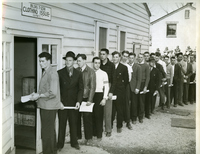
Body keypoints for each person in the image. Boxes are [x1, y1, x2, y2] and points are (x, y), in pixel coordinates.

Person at [30, 52, 63, 154]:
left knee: (46, 133)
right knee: (49, 131)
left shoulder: (52, 73)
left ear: (49, 61)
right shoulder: (46, 72)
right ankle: (52, 152)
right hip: (46, 106)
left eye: (43, 61)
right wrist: (37, 94)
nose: (40, 63)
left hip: (49, 107)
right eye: (39, 61)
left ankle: (48, 152)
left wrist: (39, 96)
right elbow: (46, 89)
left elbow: (52, 92)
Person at [57, 51, 83, 151]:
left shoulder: (78, 73)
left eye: (70, 60)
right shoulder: (59, 73)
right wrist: (59, 102)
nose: (68, 62)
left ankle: (74, 142)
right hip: (62, 104)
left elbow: (81, 89)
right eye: (67, 60)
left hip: (73, 104)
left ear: (74, 61)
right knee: (62, 124)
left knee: (73, 124)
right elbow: (57, 89)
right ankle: (60, 145)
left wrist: (78, 101)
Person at [76, 54, 96, 143]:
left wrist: (90, 99)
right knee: (76, 118)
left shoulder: (91, 71)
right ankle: (77, 136)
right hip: (77, 98)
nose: (78, 62)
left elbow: (92, 87)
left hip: (86, 98)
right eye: (77, 61)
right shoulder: (76, 70)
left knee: (87, 119)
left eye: (79, 60)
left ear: (84, 60)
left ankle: (88, 138)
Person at [99, 48, 116, 137]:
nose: (102, 56)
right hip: (99, 88)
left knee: (108, 111)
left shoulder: (111, 65)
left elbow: (114, 80)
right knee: (99, 110)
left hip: (108, 87)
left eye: (104, 54)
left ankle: (108, 129)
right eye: (101, 54)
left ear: (107, 55)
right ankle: (99, 128)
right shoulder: (98, 64)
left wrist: (111, 92)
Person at [92, 57, 109, 140]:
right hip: (91, 95)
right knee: (91, 115)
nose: (97, 64)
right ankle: (93, 133)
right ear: (93, 63)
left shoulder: (104, 73)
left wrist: (104, 98)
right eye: (95, 63)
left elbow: (106, 86)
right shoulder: (90, 72)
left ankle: (99, 134)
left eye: (99, 63)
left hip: (99, 95)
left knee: (99, 115)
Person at [112, 51, 129, 133]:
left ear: (119, 58)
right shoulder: (110, 66)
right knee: (111, 109)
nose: (115, 58)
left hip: (120, 91)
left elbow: (126, 81)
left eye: (116, 57)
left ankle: (119, 126)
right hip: (111, 91)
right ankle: (110, 124)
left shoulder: (123, 67)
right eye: (114, 57)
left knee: (119, 109)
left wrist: (121, 88)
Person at [121, 50, 133, 130]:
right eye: (124, 56)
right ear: (121, 56)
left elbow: (130, 78)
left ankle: (128, 121)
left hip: (126, 86)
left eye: (126, 56)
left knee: (126, 103)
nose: (125, 58)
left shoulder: (129, 67)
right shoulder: (117, 65)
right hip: (118, 86)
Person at [129, 52, 142, 123]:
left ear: (134, 59)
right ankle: (128, 117)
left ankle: (134, 118)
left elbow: (139, 79)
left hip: (134, 88)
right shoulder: (126, 66)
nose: (131, 59)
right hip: (127, 87)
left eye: (132, 58)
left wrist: (137, 88)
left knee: (134, 103)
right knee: (127, 103)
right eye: (130, 58)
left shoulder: (138, 67)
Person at [137, 53, 150, 123]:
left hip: (142, 84)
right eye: (139, 57)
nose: (140, 58)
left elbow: (148, 77)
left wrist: (145, 87)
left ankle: (140, 116)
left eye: (141, 57)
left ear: (143, 58)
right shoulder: (136, 64)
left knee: (141, 101)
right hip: (136, 84)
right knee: (135, 101)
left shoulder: (146, 66)